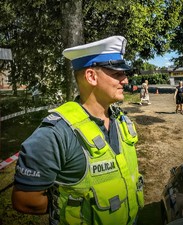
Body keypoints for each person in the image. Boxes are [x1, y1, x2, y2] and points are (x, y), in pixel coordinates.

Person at [11, 36, 144, 225]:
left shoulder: (121, 120)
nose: (125, 79)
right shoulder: (56, 133)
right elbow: (26, 200)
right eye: (117, 73)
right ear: (91, 76)